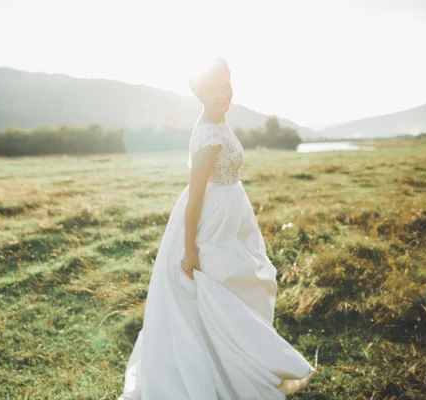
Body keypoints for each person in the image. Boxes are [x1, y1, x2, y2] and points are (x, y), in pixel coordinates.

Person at [118, 57, 317, 399]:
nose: (225, 93)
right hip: (214, 220)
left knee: (239, 287)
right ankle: (220, 372)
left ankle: (242, 359)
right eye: (215, 88)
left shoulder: (219, 122)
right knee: (218, 291)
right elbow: (195, 197)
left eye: (227, 84)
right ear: (200, 93)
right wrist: (190, 249)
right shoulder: (208, 135)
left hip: (232, 217)